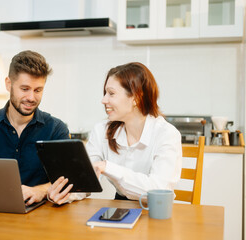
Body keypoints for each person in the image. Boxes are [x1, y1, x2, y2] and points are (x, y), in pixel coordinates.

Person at [48, 62, 182, 205]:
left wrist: (107, 167)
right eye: (105, 93)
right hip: (120, 206)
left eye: (111, 93)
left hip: (157, 210)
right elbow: (85, 180)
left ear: (136, 97)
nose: (104, 100)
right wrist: (64, 194)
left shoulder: (166, 134)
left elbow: (158, 191)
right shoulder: (102, 131)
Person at [0, 50, 70, 205]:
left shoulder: (56, 129)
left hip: (40, 214)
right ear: (8, 84)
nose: (31, 97)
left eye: (38, 90)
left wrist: (40, 191)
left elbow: (67, 181)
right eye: (24, 89)